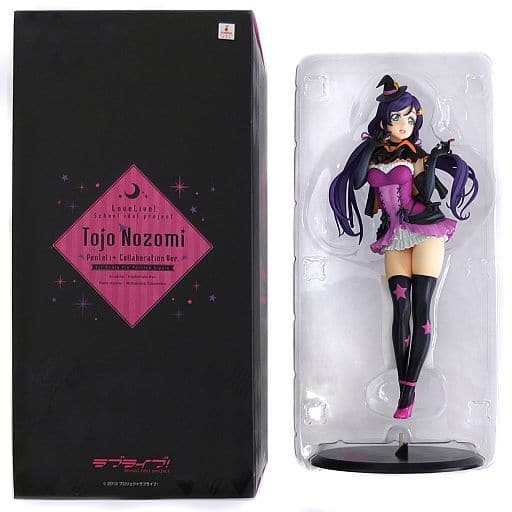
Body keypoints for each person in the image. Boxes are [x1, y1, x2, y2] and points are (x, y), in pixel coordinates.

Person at [328, 75, 478, 418]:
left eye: (410, 119)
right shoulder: (375, 155)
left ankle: (409, 392)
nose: (403, 125)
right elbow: (357, 180)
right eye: (396, 117)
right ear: (384, 120)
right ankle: (402, 388)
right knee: (400, 310)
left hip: (424, 230)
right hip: (393, 235)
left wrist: (436, 160)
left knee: (422, 308)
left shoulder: (418, 156)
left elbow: (431, 186)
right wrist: (371, 144)